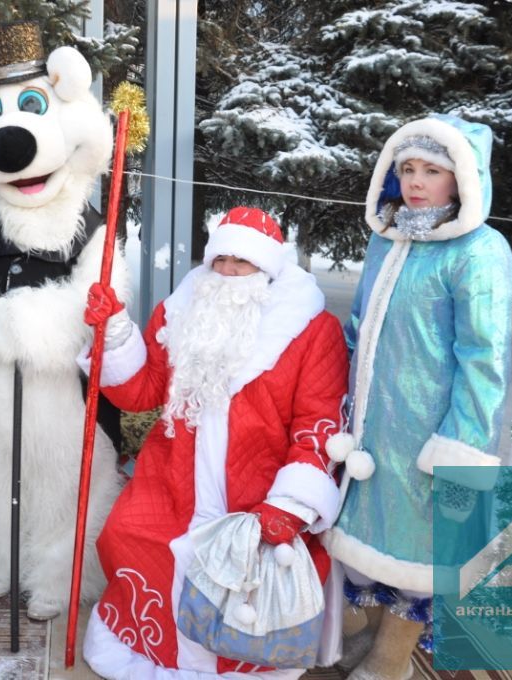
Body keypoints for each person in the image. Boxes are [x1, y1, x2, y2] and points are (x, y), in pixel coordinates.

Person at [79, 207, 349, 678]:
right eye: (219, 259)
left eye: (240, 263)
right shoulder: (181, 312)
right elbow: (141, 392)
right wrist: (116, 330)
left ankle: (235, 662)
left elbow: (318, 422)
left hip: (256, 491)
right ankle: (152, 653)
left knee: (248, 566)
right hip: (172, 481)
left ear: (265, 268)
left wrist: (290, 504)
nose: (226, 272)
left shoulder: (311, 329)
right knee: (129, 532)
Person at [322, 115, 512, 680]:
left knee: (418, 549)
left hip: (431, 430)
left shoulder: (479, 251)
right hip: (371, 426)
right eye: (407, 168)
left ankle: (392, 657)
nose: (416, 180)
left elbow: (485, 358)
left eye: (433, 169)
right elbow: (359, 325)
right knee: (363, 537)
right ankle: (361, 637)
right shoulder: (387, 238)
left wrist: (460, 444)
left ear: (462, 179)